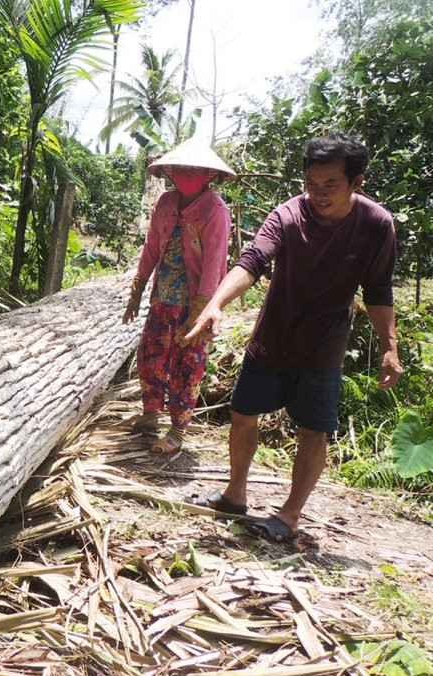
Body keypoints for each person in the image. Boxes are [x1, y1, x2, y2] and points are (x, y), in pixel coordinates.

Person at [184, 132, 402, 541]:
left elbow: (378, 290)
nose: (317, 194)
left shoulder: (376, 225)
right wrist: (216, 304)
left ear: (357, 182)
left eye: (330, 186)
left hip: (325, 344)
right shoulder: (287, 215)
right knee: (244, 414)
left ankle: (289, 515)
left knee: (313, 429)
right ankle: (235, 493)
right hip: (274, 334)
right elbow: (252, 261)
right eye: (310, 184)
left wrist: (389, 346)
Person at [122, 139, 235, 454]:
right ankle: (149, 415)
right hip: (163, 298)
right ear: (170, 171)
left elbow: (215, 262)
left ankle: (177, 431)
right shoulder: (165, 203)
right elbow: (152, 248)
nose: (186, 173)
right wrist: (138, 289)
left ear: (207, 174)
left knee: (187, 367)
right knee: (150, 359)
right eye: (181, 168)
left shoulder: (215, 211)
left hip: (194, 303)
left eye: (193, 169)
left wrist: (200, 312)